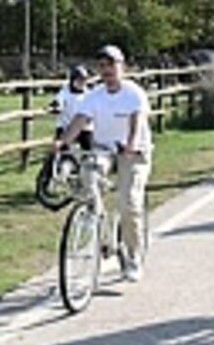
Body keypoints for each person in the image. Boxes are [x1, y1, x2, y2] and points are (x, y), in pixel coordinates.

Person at [54, 45, 153, 282]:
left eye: (112, 65)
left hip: (134, 151)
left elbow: (136, 120)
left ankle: (133, 256)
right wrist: (62, 141)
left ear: (123, 67)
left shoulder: (133, 93)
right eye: (102, 66)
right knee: (88, 176)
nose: (107, 70)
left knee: (129, 203)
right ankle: (103, 232)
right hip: (105, 149)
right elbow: (80, 120)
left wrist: (130, 144)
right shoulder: (94, 95)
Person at [51, 65, 93, 149]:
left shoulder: (88, 94)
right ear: (72, 80)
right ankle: (55, 161)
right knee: (58, 148)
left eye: (84, 80)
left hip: (83, 127)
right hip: (65, 126)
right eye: (79, 80)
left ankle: (88, 161)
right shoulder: (64, 92)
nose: (82, 83)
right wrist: (56, 107)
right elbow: (58, 102)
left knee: (89, 147)